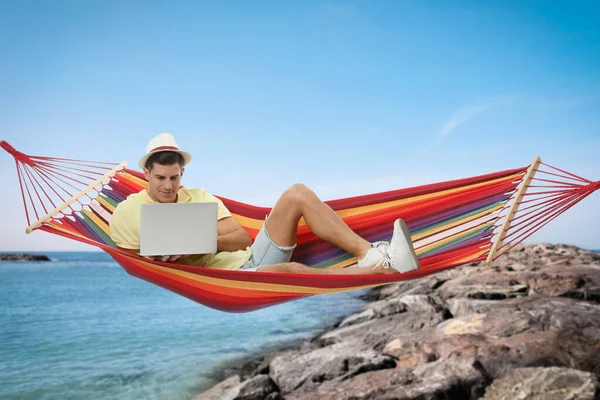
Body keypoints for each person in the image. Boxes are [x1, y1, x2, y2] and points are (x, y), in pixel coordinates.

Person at [109, 133, 421, 275]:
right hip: (231, 280)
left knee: (297, 192)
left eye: (174, 178)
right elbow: (128, 250)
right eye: (160, 178)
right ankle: (384, 269)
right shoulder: (129, 211)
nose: (168, 186)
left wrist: (195, 242)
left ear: (182, 173)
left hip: (250, 259)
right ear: (146, 173)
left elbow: (241, 237)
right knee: (289, 271)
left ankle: (371, 256)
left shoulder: (198, 197)